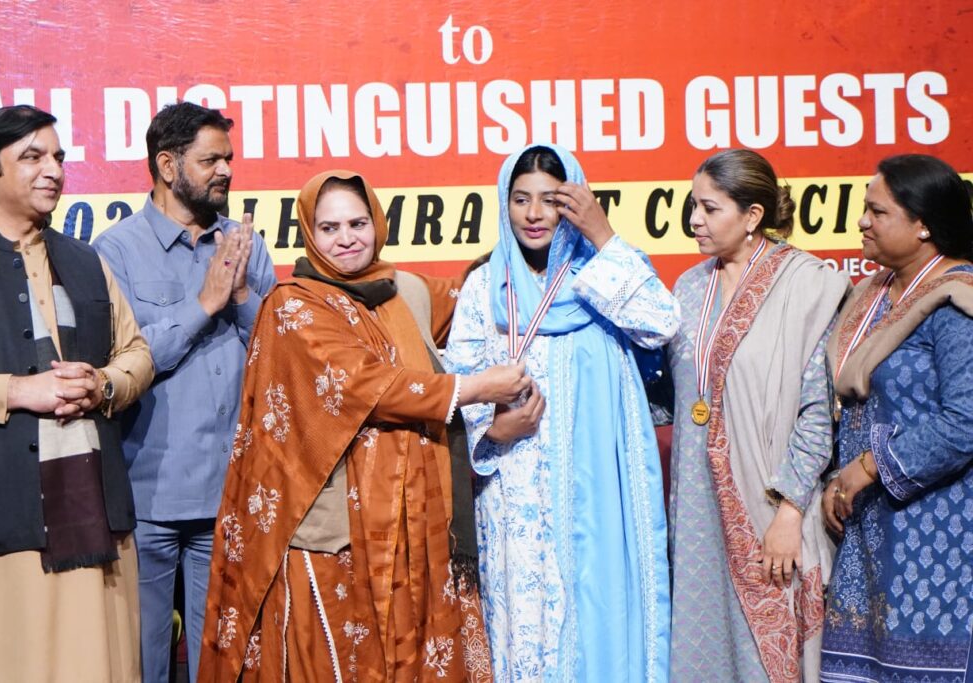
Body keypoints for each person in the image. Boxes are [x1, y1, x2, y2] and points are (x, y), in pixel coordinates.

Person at [198, 170, 528, 682]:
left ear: (377, 222)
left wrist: (534, 232)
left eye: (358, 223)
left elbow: (485, 298)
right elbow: (367, 384)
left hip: (414, 524)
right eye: (329, 228)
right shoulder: (293, 305)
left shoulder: (405, 292)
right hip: (333, 529)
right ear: (309, 233)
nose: (346, 238)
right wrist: (478, 388)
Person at [444, 143, 679, 682]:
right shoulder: (486, 286)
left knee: (598, 614)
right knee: (525, 628)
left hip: (598, 490)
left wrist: (602, 233)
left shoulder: (601, 274)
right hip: (514, 492)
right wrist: (496, 429)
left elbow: (662, 323)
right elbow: (460, 381)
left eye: (550, 200)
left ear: (574, 203)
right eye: (520, 199)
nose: (533, 214)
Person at [0, 105, 154, 682]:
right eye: (33, 157)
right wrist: (16, 390)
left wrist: (103, 384)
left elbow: (137, 353)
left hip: (96, 517)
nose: (54, 171)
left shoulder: (86, 261)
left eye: (59, 157)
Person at [94, 102, 277, 682]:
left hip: (230, 490)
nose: (226, 170)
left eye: (229, 158)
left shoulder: (245, 245)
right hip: (148, 493)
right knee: (141, 660)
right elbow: (121, 362)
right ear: (167, 165)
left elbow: (280, 354)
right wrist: (203, 305)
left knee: (219, 660)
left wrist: (240, 295)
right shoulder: (114, 251)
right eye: (210, 160)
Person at [666, 149, 848, 682]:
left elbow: (818, 413)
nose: (695, 220)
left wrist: (789, 513)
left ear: (752, 216)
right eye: (693, 206)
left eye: (710, 208)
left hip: (769, 502)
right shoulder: (689, 287)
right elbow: (679, 391)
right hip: (697, 505)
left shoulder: (807, 285)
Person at [819, 155, 973, 682]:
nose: (862, 221)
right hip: (868, 528)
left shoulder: (957, 300)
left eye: (877, 211)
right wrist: (841, 478)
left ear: (923, 225)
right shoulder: (873, 297)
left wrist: (867, 467)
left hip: (939, 532)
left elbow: (966, 421)